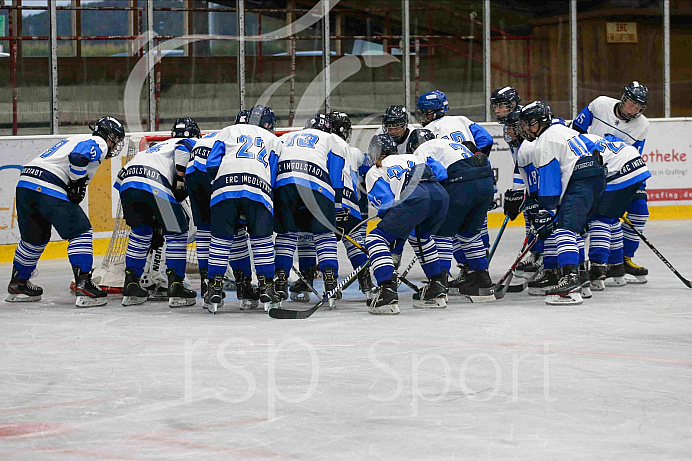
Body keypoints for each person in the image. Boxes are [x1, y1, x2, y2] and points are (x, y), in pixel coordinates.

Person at [7, 117, 125, 307]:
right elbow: (79, 157)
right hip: (48, 184)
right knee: (81, 231)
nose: (115, 146)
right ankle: (84, 283)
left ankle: (19, 282)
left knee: (34, 239)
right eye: (116, 140)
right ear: (109, 136)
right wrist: (77, 182)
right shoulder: (99, 142)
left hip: (25, 184)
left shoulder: (74, 138)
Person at [519, 101, 606, 305]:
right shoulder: (564, 131)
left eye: (529, 124)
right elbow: (595, 150)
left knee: (563, 230)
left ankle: (570, 282)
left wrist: (546, 211)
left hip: (581, 180)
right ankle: (582, 278)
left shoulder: (544, 141)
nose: (526, 129)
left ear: (540, 122)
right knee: (574, 229)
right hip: (597, 177)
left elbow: (549, 184)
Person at [204, 105, 282, 312]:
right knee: (262, 242)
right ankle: (266, 287)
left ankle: (214, 288)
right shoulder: (274, 140)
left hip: (224, 188)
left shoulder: (228, 130)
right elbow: (272, 176)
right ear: (267, 125)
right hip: (258, 188)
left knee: (220, 241)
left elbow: (211, 165)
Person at [115, 117, 199, 308]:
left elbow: (119, 180)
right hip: (154, 183)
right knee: (177, 231)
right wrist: (179, 178)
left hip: (127, 185)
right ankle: (176, 285)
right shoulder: (188, 141)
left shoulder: (157, 147)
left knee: (141, 233)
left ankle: (131, 285)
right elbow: (183, 149)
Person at [572, 81, 650, 283]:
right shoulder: (600, 104)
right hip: (591, 169)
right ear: (623, 99)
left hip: (620, 170)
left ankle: (624, 260)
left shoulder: (642, 125)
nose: (633, 110)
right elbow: (575, 131)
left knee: (640, 211)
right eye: (631, 103)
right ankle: (599, 263)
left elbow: (632, 156)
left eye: (638, 107)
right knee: (600, 218)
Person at [406, 128, 496, 301]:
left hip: (462, 183)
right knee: (469, 235)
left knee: (441, 234)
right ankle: (482, 280)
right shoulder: (450, 145)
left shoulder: (421, 151)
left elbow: (438, 175)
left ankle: (439, 283)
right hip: (486, 182)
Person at [415, 89, 494, 284]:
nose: (423, 117)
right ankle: (480, 275)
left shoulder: (428, 134)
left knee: (443, 231)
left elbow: (436, 171)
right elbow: (487, 140)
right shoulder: (462, 120)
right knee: (471, 230)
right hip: (483, 173)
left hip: (457, 181)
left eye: (425, 112)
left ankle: (440, 280)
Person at [365, 134, 450, 314]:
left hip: (415, 197)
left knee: (375, 238)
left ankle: (386, 291)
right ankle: (437, 288)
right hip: (440, 195)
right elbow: (442, 172)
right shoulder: (414, 156)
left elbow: (387, 203)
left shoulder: (375, 170)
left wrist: (394, 232)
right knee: (421, 237)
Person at [273, 113, 347, 307]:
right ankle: (330, 280)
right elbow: (336, 174)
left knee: (286, 233)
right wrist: (336, 208)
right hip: (315, 182)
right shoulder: (332, 138)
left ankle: (280, 280)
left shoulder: (288, 136)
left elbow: (273, 161)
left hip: (284, 182)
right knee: (324, 236)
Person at [584, 134, 651, 289]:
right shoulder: (591, 138)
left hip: (619, 172)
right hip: (638, 167)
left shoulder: (567, 144)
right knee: (612, 217)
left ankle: (598, 269)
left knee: (599, 218)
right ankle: (617, 266)